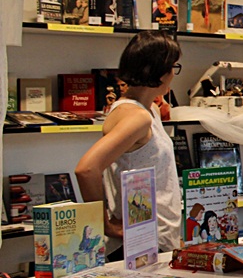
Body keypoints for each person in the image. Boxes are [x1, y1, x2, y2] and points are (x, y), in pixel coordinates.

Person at [75, 31, 184, 254]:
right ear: (160, 72)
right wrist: (104, 223)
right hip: (141, 242)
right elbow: (87, 169)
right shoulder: (136, 117)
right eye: (173, 67)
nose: (174, 74)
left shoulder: (147, 110)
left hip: (157, 236)